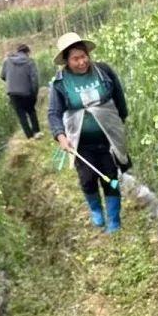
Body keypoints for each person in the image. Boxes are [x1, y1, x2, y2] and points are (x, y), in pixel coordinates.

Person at [47, 32, 130, 233]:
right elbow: (54, 113)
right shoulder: (60, 83)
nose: (82, 62)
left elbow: (119, 98)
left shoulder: (103, 72)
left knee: (110, 176)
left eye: (84, 56)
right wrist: (60, 136)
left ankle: (114, 220)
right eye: (75, 58)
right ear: (66, 61)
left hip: (107, 136)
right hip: (80, 142)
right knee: (87, 178)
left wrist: (119, 122)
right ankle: (95, 210)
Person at [1, 44, 41, 139]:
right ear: (27, 52)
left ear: (17, 51)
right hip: (27, 92)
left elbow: (2, 76)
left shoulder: (7, 61)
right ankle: (36, 132)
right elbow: (34, 80)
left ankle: (29, 136)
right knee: (31, 111)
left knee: (21, 115)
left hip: (13, 93)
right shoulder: (30, 62)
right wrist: (34, 94)